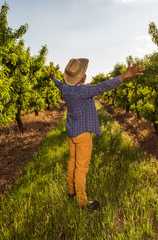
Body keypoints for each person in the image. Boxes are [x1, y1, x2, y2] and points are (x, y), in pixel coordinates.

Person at [49, 58, 145, 210]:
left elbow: (60, 84)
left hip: (71, 132)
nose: (85, 75)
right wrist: (123, 76)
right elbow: (103, 86)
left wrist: (54, 79)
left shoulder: (65, 89)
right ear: (80, 77)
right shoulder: (83, 90)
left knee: (72, 162)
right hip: (82, 134)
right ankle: (82, 202)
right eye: (84, 73)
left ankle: (71, 191)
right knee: (81, 168)